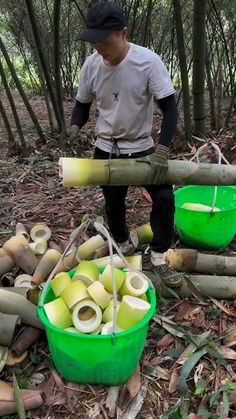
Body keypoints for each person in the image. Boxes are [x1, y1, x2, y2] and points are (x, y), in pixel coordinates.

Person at [68, 1, 179, 279]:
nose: (99, 49)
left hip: (142, 147)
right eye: (95, 42)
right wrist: (74, 126)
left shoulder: (147, 62)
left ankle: (159, 253)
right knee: (113, 201)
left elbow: (170, 107)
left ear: (124, 33)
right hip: (106, 146)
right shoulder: (91, 65)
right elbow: (82, 104)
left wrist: (162, 150)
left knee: (164, 197)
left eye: (105, 41)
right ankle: (124, 242)